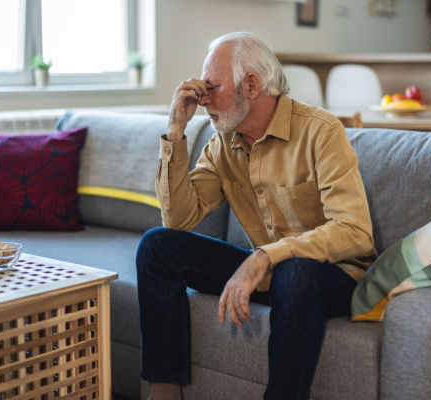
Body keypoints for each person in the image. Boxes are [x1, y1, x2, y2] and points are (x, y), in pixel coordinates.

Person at [136, 32, 377, 400]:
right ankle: (164, 392)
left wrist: (267, 255)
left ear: (250, 85)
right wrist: (175, 132)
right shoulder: (222, 145)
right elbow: (178, 219)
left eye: (212, 87)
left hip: (332, 276)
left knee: (295, 273)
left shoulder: (320, 132)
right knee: (157, 246)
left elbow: (354, 231)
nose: (202, 100)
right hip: (270, 275)